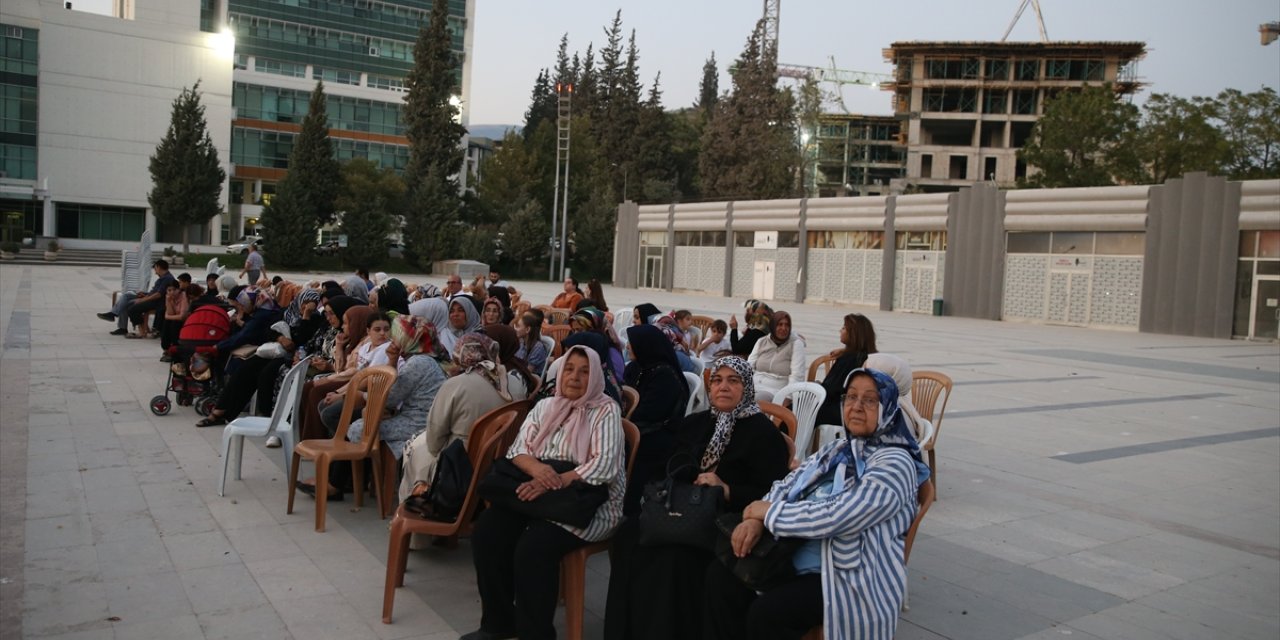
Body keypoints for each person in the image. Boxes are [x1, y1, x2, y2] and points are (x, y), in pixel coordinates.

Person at [702, 367, 930, 640]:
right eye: (851, 397)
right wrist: (755, 518)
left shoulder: (895, 463)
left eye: (869, 400)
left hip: (846, 575)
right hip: (794, 556)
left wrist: (770, 512)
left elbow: (840, 514)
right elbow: (787, 483)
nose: (856, 407)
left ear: (888, 409)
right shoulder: (839, 449)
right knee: (720, 578)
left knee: (767, 614)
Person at [603, 356, 791, 640]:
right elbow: (664, 467)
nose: (723, 387)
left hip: (726, 518)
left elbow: (772, 490)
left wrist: (726, 488)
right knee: (629, 535)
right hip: (680, 508)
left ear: (747, 387)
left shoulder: (764, 435)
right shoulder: (694, 423)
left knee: (674, 558)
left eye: (733, 380)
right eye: (717, 380)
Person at [465, 346, 626, 640]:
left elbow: (603, 467)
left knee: (533, 549)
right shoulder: (546, 406)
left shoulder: (605, 410)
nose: (575, 377)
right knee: (487, 533)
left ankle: (535, 633)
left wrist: (553, 480)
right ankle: (498, 622)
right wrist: (538, 472)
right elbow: (518, 450)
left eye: (584, 371)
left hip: (589, 502)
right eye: (569, 368)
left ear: (595, 378)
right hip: (539, 493)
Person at [399, 332, 511, 502]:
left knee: (415, 448)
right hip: (498, 458)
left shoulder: (456, 384)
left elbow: (435, 438)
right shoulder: (510, 382)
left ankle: (412, 505)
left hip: (458, 461)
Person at [346, 314, 448, 465]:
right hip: (420, 418)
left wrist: (361, 396)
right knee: (365, 422)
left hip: (420, 423)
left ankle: (365, 481)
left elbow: (389, 398)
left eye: (397, 335)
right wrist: (392, 360)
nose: (392, 340)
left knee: (358, 429)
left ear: (408, 339)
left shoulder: (418, 363)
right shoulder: (424, 358)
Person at [620, 324, 690, 514]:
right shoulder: (636, 367)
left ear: (645, 346)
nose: (627, 347)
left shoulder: (664, 376)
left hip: (658, 433)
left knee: (619, 446)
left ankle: (627, 506)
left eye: (632, 343)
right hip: (637, 427)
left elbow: (649, 413)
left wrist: (620, 417)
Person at [815, 313, 878, 427]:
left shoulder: (848, 360)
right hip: (855, 408)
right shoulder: (867, 356)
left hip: (841, 410)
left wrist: (817, 387)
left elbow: (831, 390)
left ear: (853, 334)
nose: (840, 331)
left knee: (798, 409)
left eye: (844, 328)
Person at [98, 259, 175, 337]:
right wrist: (144, 294)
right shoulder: (163, 277)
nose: (155, 271)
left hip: (155, 301)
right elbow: (155, 292)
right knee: (126, 296)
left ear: (158, 267)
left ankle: (124, 326)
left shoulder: (167, 278)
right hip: (149, 297)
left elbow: (158, 295)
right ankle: (114, 314)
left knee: (127, 304)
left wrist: (142, 299)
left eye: (155, 268)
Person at [747, 310, 806, 403]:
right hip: (753, 386)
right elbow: (749, 366)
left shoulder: (796, 344)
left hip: (776, 391)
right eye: (780, 324)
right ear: (773, 326)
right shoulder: (762, 341)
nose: (784, 328)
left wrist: (788, 397)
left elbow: (797, 375)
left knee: (754, 400)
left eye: (787, 325)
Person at [515, 310, 549, 375]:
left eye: (518, 326)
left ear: (527, 329)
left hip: (529, 380)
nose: (515, 329)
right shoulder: (521, 342)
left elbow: (527, 373)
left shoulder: (538, 347)